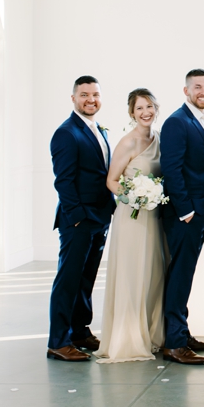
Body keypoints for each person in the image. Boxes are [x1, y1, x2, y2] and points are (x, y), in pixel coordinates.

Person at [47, 76, 116, 361]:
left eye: (95, 94)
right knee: (68, 280)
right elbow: (63, 181)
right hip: (78, 220)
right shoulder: (66, 132)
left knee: (86, 280)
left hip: (99, 217)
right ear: (73, 98)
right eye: (85, 95)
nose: (91, 100)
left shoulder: (98, 129)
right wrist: (77, 219)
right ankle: (58, 342)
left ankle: (79, 331)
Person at [96, 89, 166, 363]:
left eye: (149, 106)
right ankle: (128, 338)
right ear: (132, 113)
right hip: (132, 215)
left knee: (153, 274)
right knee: (133, 273)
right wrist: (133, 196)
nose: (145, 112)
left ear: (156, 109)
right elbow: (112, 181)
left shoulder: (158, 139)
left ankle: (150, 333)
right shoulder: (128, 142)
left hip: (154, 216)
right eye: (139, 109)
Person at [159, 69, 204, 365]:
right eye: (198, 87)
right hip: (185, 213)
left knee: (186, 274)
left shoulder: (201, 120)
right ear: (186, 90)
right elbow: (171, 169)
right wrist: (185, 211)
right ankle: (173, 343)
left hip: (202, 208)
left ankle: (181, 334)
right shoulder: (176, 122)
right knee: (180, 275)